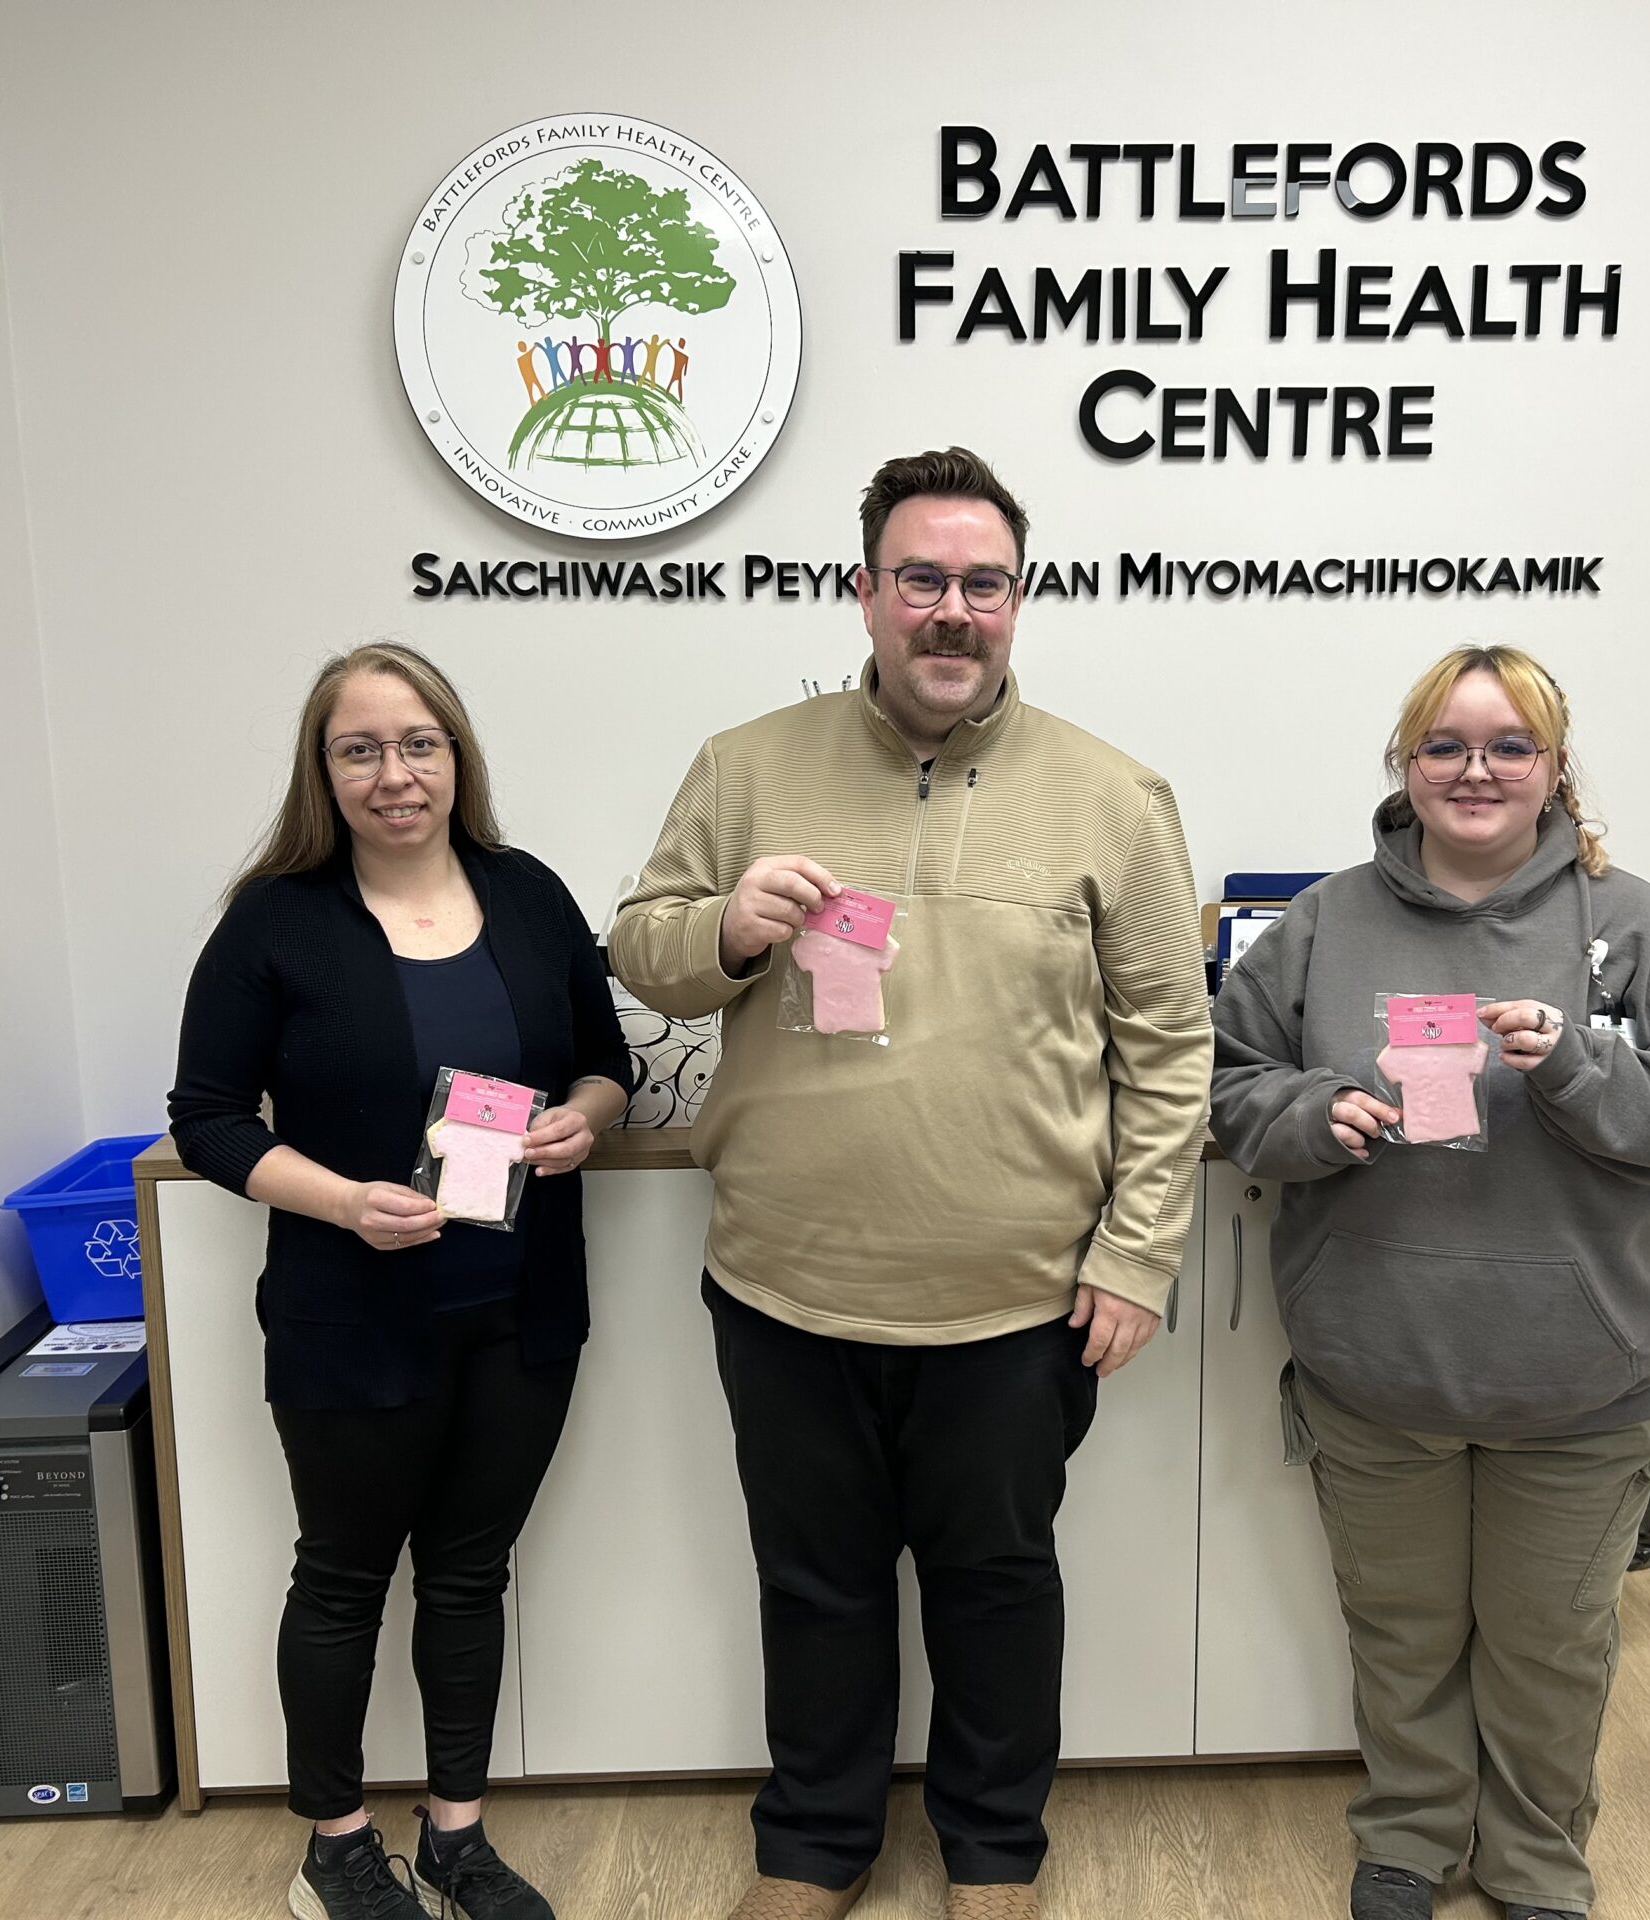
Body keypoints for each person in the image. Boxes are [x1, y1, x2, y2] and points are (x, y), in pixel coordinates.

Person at [611, 448, 1212, 1920]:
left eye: (983, 583)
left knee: (996, 1587)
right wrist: (727, 930)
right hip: (786, 1283)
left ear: (1019, 599)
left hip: (1014, 1302)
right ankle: (815, 1845)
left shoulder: (1117, 796)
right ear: (866, 590)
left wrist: (1137, 1254)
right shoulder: (746, 765)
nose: (953, 610)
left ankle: (994, 1852)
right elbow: (642, 949)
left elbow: (1169, 1044)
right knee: (813, 1584)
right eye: (923, 578)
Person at [1207, 645, 1650, 1920]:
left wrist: (1578, 1068)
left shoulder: (1631, 926)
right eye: (1446, 745)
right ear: (1404, 764)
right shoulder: (1323, 923)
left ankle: (1533, 1862)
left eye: (1509, 746)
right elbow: (1231, 1080)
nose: (1476, 770)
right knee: (1400, 1635)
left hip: (1579, 1384)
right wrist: (1311, 1115)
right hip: (1378, 1369)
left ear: (1554, 769)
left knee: (1548, 1651)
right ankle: (1409, 1842)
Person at [169, 642, 630, 1920]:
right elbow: (206, 1119)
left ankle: (454, 1837)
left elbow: (605, 1064)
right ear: (322, 772)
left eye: (418, 743)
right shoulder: (275, 920)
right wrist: (340, 1201)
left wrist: (583, 1119)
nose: (394, 773)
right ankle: (335, 1845)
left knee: (470, 1576)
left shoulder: (526, 894)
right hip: (351, 1315)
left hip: (522, 1310)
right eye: (359, 749)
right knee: (342, 1580)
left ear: (456, 756)